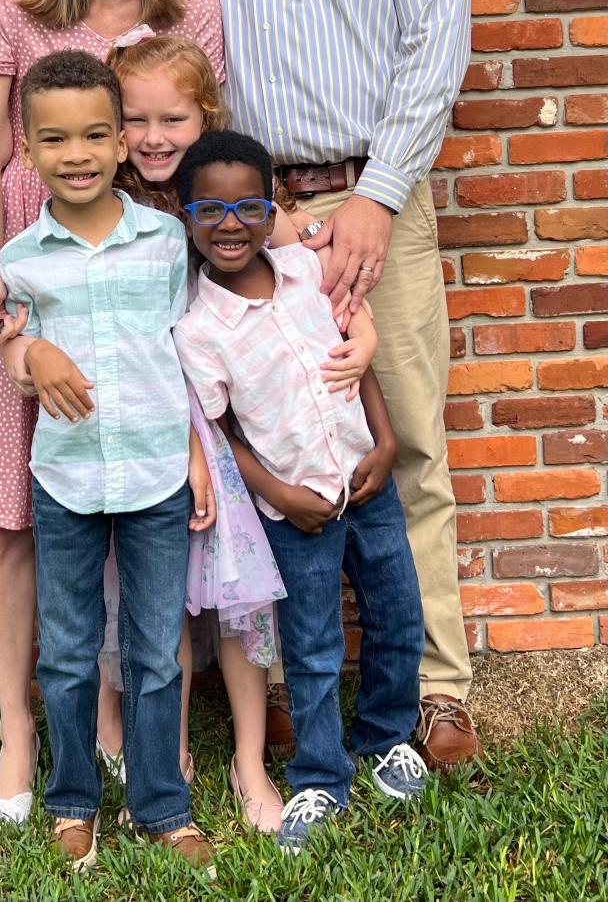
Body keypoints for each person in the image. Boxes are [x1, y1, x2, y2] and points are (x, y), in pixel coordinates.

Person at [164, 0, 479, 769]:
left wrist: (381, 196)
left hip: (371, 195)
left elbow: (436, 38)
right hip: (243, 222)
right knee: (266, 450)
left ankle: (438, 693)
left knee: (412, 449)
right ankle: (299, 690)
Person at [0, 0, 224, 825]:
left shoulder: (192, 8)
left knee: (129, 488)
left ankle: (117, 713)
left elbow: (199, 153)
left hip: (135, 269)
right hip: (21, 257)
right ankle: (20, 731)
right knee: (12, 507)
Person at [173, 130, 429, 853]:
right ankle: (320, 772)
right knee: (312, 646)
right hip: (296, 513)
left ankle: (386, 736)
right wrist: (282, 494)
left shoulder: (305, 273)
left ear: (271, 208)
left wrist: (384, 443)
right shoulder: (199, 329)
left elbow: (358, 363)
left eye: (249, 206)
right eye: (211, 210)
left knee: (398, 614)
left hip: (367, 483)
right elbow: (222, 435)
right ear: (185, 213)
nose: (231, 224)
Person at [0, 50, 215, 875]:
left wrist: (196, 452)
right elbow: (10, 349)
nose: (78, 153)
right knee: (68, 645)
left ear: (123, 142)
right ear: (29, 147)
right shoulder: (22, 257)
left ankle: (162, 804)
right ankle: (73, 799)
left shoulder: (164, 240)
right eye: (56, 139)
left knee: (159, 647)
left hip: (157, 467)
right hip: (70, 477)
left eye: (95, 134)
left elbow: (181, 354)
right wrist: (34, 352)